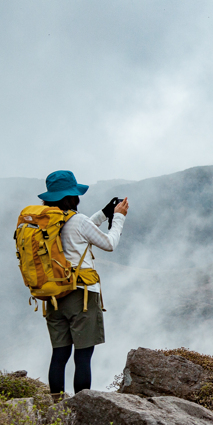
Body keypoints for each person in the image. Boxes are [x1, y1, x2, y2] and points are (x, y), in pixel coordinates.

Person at [37, 170, 129, 398]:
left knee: (59, 355)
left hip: (54, 294)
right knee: (83, 355)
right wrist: (118, 217)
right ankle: (82, 407)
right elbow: (108, 243)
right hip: (82, 295)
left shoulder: (44, 221)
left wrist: (103, 213)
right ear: (72, 197)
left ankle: (56, 405)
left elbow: (80, 229)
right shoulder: (76, 221)